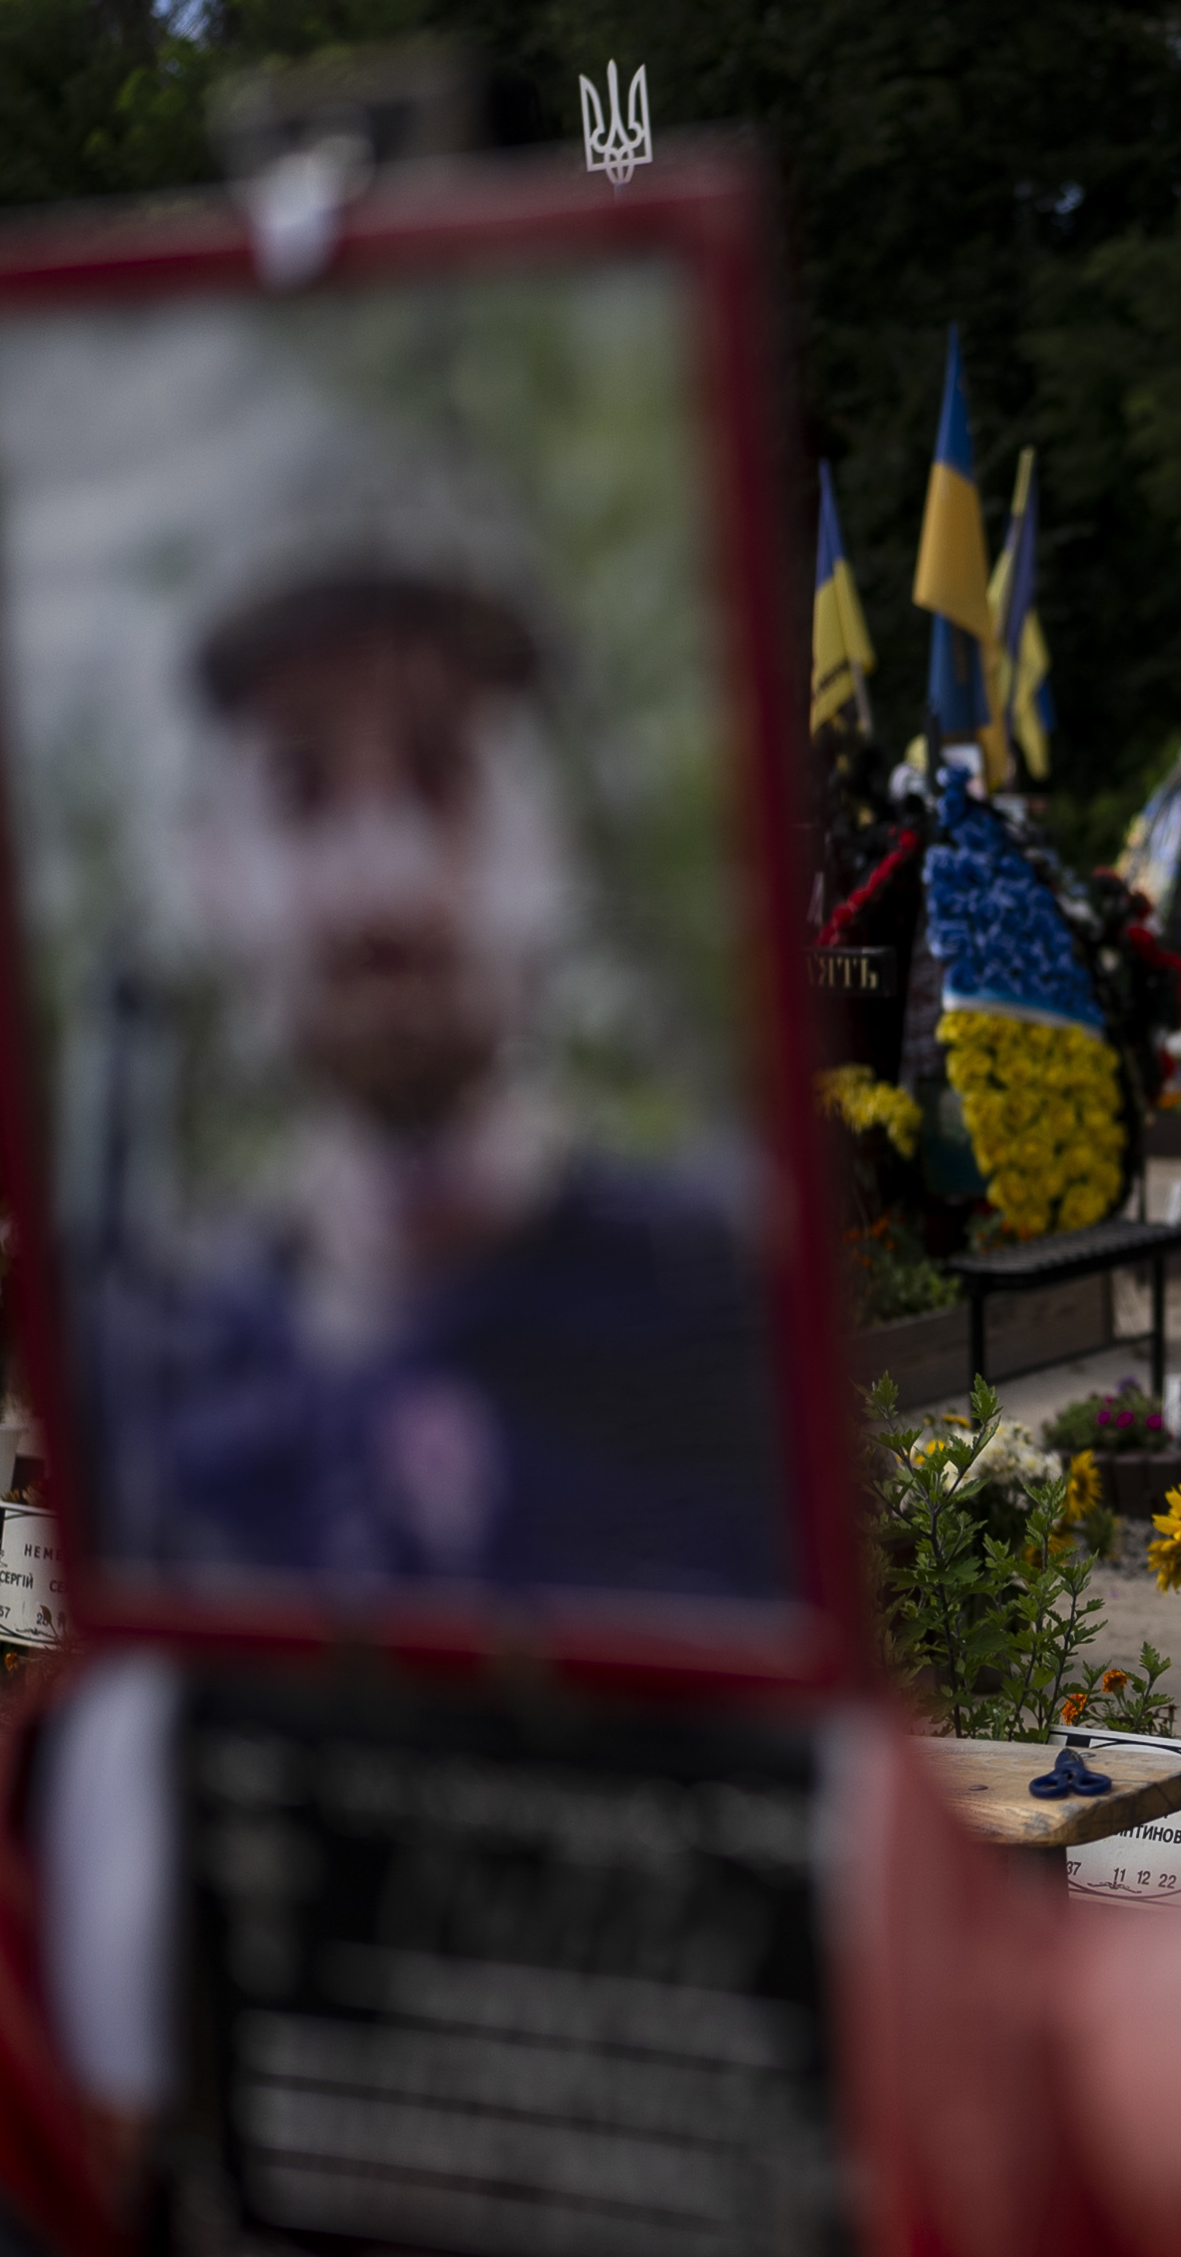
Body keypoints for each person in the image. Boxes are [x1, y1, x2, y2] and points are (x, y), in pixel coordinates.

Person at [81, 463, 791, 1605]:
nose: (385, 882)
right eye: (300, 788)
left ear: (546, 848)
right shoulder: (152, 1385)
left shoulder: (733, 1321)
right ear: (215, 871)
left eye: (442, 771)